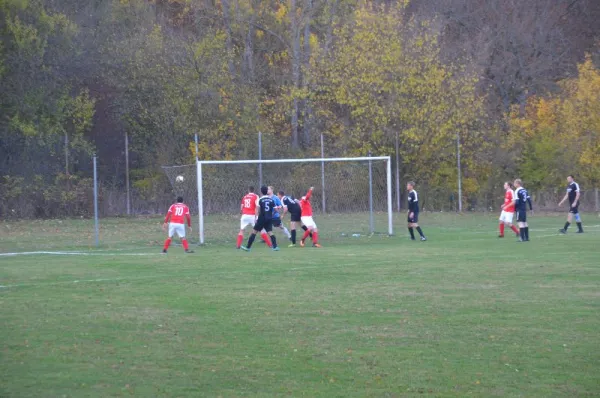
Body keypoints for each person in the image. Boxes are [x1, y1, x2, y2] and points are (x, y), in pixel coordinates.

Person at [241, 185, 280, 252]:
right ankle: (275, 247)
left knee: (254, 232)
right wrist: (271, 215)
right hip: (269, 218)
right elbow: (276, 209)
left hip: (261, 218)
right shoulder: (271, 200)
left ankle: (248, 247)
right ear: (267, 192)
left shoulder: (260, 199)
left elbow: (257, 209)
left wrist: (256, 218)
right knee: (270, 232)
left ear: (261, 192)